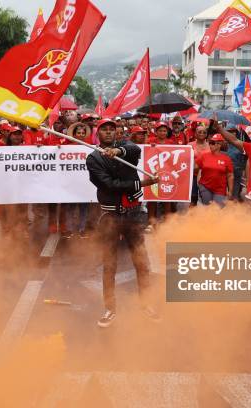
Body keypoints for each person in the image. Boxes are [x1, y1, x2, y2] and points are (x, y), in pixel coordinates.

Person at [85, 118, 160, 328]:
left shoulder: (126, 148)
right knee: (109, 265)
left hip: (134, 214)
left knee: (142, 262)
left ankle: (146, 304)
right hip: (111, 216)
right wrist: (142, 183)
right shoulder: (93, 159)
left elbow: (134, 148)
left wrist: (118, 152)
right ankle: (110, 308)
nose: (109, 133)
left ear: (117, 132)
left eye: (112, 129)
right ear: (98, 134)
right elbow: (109, 185)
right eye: (104, 130)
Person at [195, 133, 234, 207]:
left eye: (213, 143)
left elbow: (230, 175)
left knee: (218, 210)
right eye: (210, 143)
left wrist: (230, 191)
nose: (210, 145)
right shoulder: (204, 155)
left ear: (219, 145)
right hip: (205, 187)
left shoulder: (226, 159)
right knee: (208, 208)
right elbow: (195, 167)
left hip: (220, 189)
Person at [188, 125, 209, 206]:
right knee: (193, 198)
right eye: (199, 132)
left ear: (206, 134)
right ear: (195, 134)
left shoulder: (210, 145)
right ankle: (192, 217)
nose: (202, 134)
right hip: (193, 175)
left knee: (206, 199)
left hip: (206, 176)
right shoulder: (189, 145)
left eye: (204, 132)